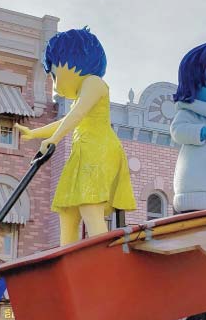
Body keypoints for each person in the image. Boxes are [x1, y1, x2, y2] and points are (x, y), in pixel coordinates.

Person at [18, 27, 135, 244]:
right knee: (67, 209)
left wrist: (53, 139)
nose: (54, 84)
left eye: (54, 74)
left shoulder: (94, 83)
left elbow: (78, 114)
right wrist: (35, 132)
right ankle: (68, 260)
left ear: (71, 62)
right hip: (83, 153)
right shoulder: (81, 94)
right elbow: (66, 120)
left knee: (90, 205)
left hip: (99, 151)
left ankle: (102, 258)